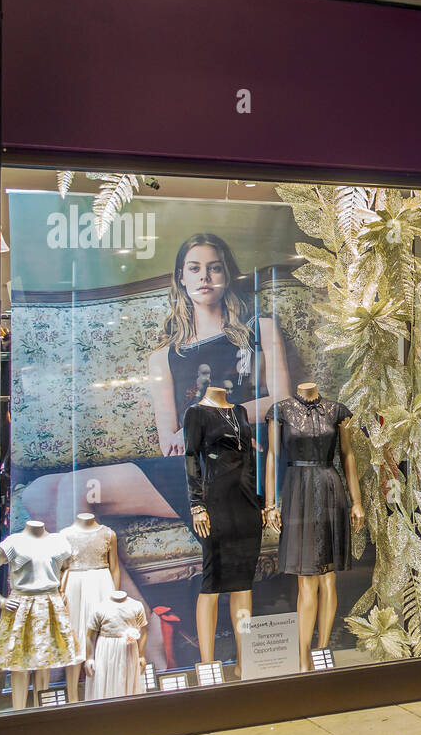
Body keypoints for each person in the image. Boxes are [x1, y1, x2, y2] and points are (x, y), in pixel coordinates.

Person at [21, 233, 292, 665]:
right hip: (191, 463)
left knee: (58, 495)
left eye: (214, 267)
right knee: (39, 495)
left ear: (227, 274)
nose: (205, 277)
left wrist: (218, 414)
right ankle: (141, 621)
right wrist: (193, 432)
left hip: (242, 460)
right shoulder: (163, 355)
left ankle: (140, 639)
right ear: (181, 279)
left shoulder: (259, 329)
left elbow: (282, 399)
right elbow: (170, 435)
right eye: (195, 268)